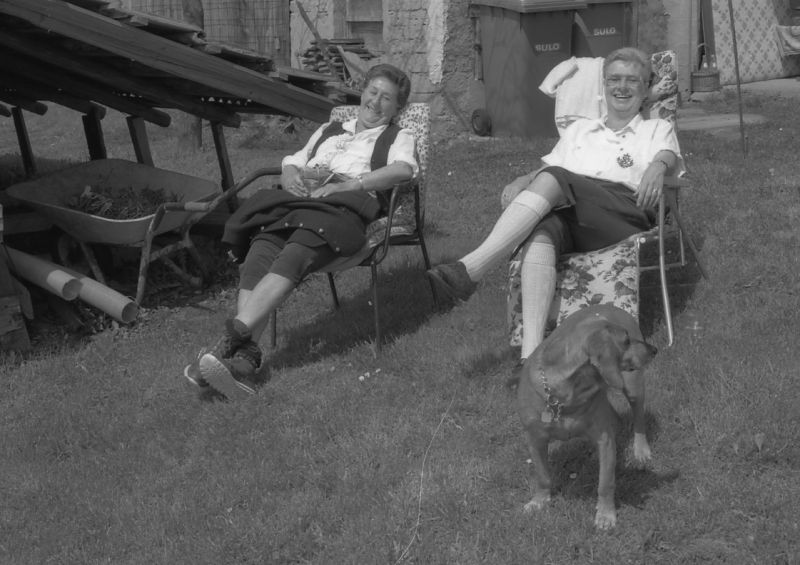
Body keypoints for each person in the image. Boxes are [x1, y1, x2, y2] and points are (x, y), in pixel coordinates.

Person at [427, 47, 684, 362]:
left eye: (632, 80)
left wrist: (658, 165)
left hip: (626, 211)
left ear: (645, 89)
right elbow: (548, 169)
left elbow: (668, 155)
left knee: (556, 179)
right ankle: (530, 358)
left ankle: (473, 269)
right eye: (614, 79)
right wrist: (522, 180)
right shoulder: (580, 130)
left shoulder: (655, 128)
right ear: (604, 86)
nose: (622, 87)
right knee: (542, 233)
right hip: (577, 211)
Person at [185, 63, 418, 400]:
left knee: (295, 254)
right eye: (372, 92)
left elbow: (403, 170)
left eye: (387, 98)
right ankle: (245, 360)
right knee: (260, 251)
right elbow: (294, 159)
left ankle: (228, 342)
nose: (376, 102)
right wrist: (291, 174)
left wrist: (350, 184)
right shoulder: (330, 129)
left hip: (342, 210)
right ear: (363, 92)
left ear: (397, 108)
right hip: (298, 204)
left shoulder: (398, 137)